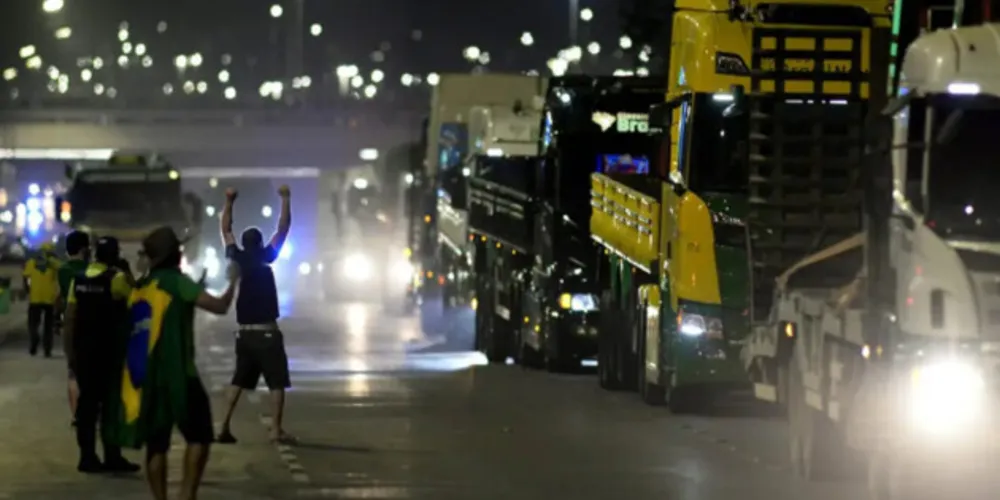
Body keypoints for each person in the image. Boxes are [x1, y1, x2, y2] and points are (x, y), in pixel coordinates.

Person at [118, 226, 239, 500]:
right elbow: (219, 307)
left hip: (149, 376)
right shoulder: (177, 281)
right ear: (176, 254)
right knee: (199, 437)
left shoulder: (143, 287)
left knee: (156, 445)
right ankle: (187, 495)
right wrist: (234, 282)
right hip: (181, 375)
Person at [216, 184, 294, 445]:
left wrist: (229, 201)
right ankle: (275, 430)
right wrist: (285, 198)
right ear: (260, 243)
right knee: (276, 382)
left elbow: (225, 229)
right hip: (268, 333)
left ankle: (224, 425)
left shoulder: (236, 259)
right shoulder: (266, 256)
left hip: (244, 334)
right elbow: (283, 229)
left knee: (238, 380)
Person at [63, 236, 142, 474]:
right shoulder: (116, 279)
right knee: (110, 407)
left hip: (84, 351)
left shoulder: (78, 279)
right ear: (115, 255)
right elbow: (137, 299)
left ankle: (87, 458)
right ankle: (112, 457)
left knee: (87, 406)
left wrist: (70, 353)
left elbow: (70, 318)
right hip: (109, 351)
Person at [58, 231, 91, 425]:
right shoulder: (89, 269)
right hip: (90, 322)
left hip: (69, 322)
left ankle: (76, 414)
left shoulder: (62, 270)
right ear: (85, 249)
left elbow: (60, 298)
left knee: (73, 370)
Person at [23, 242, 61, 357]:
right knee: (48, 326)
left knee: (33, 324)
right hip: (50, 298)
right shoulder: (55, 264)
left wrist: (27, 290)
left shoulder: (31, 262)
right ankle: (47, 349)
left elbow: (25, 277)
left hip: (35, 297)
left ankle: (34, 343)